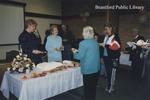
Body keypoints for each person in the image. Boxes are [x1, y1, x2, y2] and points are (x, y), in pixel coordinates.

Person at [72, 26, 100, 100]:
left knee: (87, 89)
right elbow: (90, 54)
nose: (82, 33)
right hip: (96, 68)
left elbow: (79, 57)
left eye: (83, 32)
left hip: (88, 69)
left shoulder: (83, 43)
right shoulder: (95, 42)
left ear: (86, 33)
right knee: (93, 88)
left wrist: (74, 52)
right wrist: (79, 51)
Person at [100, 23, 121, 93]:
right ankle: (108, 85)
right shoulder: (106, 36)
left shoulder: (115, 37)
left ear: (110, 28)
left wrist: (105, 45)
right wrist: (102, 57)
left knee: (112, 74)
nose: (105, 30)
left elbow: (117, 47)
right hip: (106, 57)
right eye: (105, 29)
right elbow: (103, 48)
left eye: (107, 29)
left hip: (112, 58)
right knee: (108, 73)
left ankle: (111, 87)